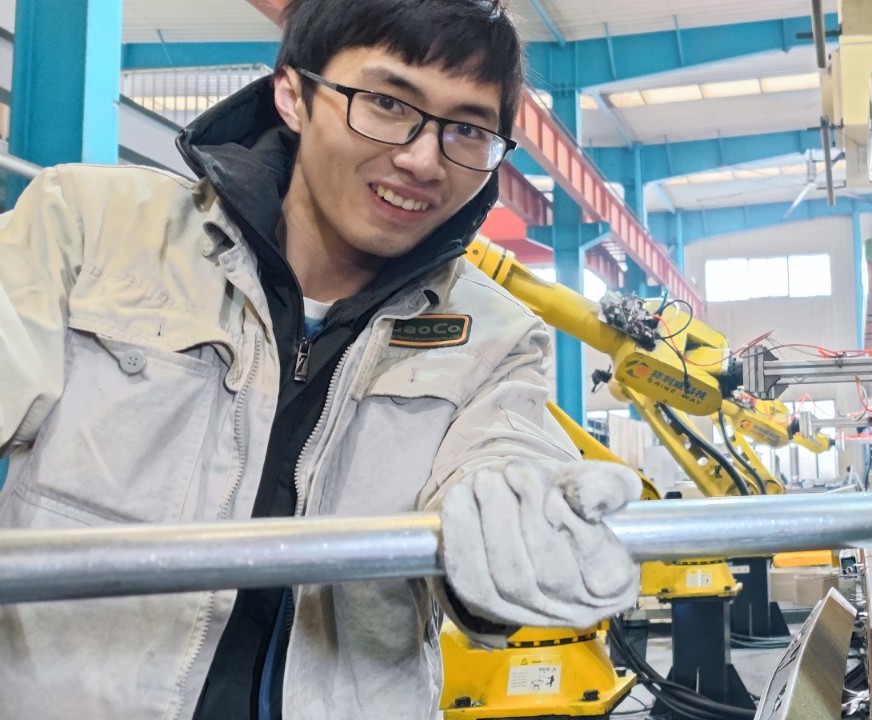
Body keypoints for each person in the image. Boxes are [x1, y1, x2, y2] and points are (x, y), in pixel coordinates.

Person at [0, 1, 640, 718]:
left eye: (466, 128)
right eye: (387, 103)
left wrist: (520, 517)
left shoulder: (494, 333)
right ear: (292, 94)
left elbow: (505, 448)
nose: (422, 159)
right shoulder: (92, 226)